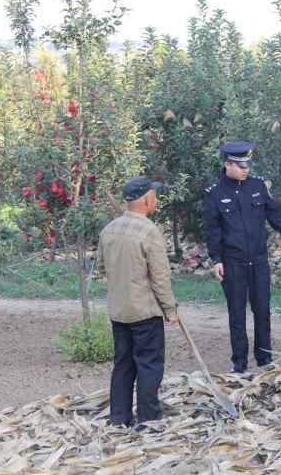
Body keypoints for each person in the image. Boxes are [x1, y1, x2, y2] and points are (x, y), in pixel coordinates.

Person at [202, 141, 281, 374]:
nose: (246, 169)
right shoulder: (214, 194)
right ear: (227, 164)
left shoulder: (257, 186)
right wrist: (216, 259)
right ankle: (239, 364)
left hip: (259, 261)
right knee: (237, 314)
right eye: (240, 165)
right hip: (233, 263)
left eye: (248, 164)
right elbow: (212, 231)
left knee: (263, 311)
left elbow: (275, 215)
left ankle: (265, 359)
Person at [97, 176, 179, 428]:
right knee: (149, 366)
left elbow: (101, 268)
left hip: (119, 312)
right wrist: (170, 309)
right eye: (154, 194)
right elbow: (160, 277)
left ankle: (119, 418)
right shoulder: (150, 232)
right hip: (145, 312)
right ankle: (149, 419)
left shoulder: (109, 229)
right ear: (146, 199)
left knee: (122, 365)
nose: (156, 199)